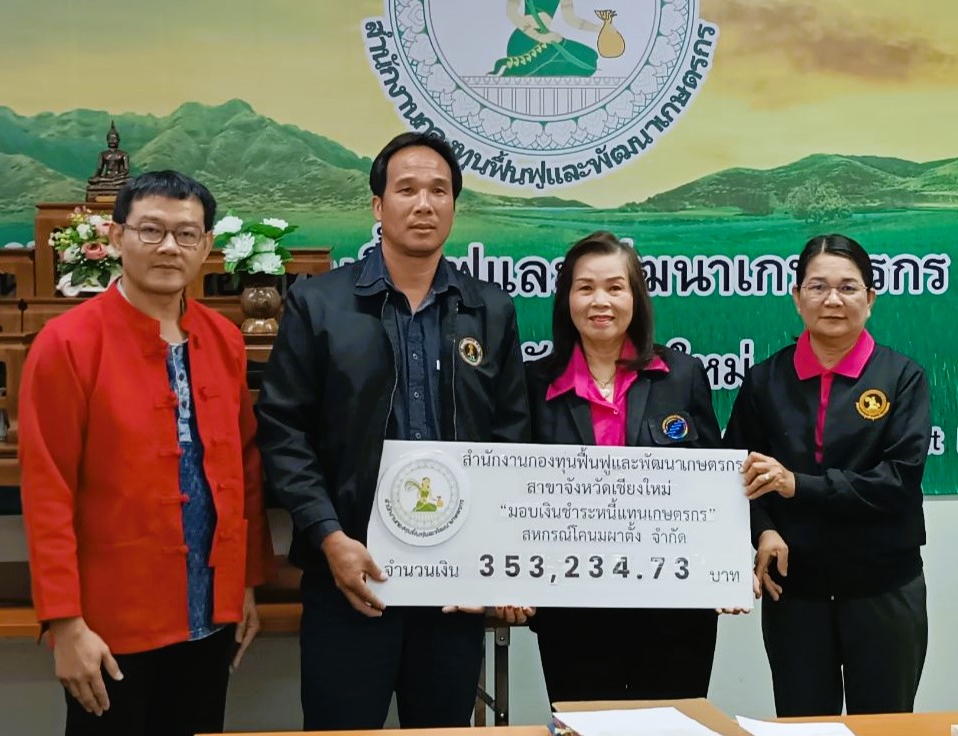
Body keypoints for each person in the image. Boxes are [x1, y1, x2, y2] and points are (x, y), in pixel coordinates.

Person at [255, 131, 531, 730]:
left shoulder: (489, 308)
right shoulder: (319, 304)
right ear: (378, 205)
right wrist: (329, 537)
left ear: (454, 205)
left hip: (453, 584)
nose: (424, 204)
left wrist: (493, 555)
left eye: (439, 190)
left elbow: (511, 437)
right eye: (406, 190)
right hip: (349, 574)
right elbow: (283, 429)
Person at [19, 170, 275, 736]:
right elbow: (46, 491)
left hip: (212, 614)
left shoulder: (224, 338)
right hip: (112, 625)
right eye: (151, 230)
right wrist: (64, 624)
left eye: (186, 234)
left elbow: (244, 468)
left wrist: (245, 584)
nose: (168, 247)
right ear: (116, 237)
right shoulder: (67, 343)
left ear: (206, 246)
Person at [724, 234, 930, 717]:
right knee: (803, 725)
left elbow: (898, 482)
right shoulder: (764, 381)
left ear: (870, 298)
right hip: (796, 592)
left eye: (848, 287)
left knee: (884, 726)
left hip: (883, 587)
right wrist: (763, 529)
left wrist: (798, 485)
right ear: (797, 297)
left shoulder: (903, 378)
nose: (832, 300)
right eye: (817, 287)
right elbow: (735, 473)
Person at [525, 231, 719, 703]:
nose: (601, 302)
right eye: (585, 288)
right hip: (574, 612)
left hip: (675, 610)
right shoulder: (532, 384)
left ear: (636, 297)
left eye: (615, 287)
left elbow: (713, 486)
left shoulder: (683, 375)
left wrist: (724, 569)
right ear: (566, 299)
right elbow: (513, 494)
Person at [491, 0, 602, 77]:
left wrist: (597, 28)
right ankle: (520, 67)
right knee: (586, 65)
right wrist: (539, 36)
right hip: (525, 39)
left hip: (547, 39)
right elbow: (512, 13)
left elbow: (571, 19)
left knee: (590, 58)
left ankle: (535, 69)